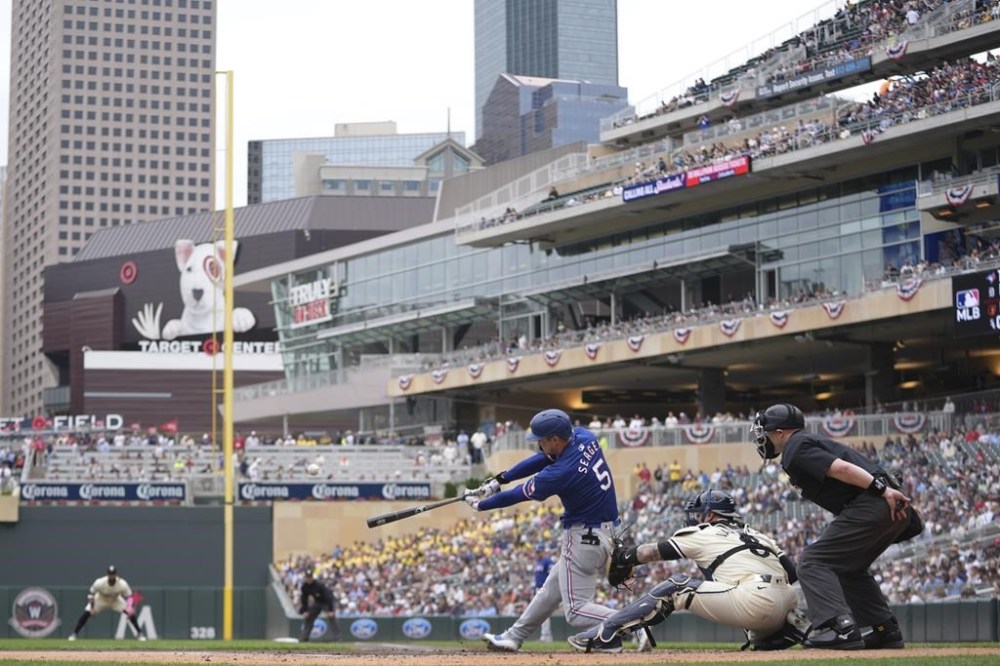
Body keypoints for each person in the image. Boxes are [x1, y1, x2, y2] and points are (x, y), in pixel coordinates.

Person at [466, 408, 647, 653]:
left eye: (541, 440)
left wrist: (481, 504)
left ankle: (635, 622)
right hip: (607, 532)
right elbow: (541, 459)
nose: (539, 444)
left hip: (584, 535)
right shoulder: (584, 437)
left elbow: (520, 494)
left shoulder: (561, 473)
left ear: (554, 439)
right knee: (551, 590)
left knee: (575, 610)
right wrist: (500, 479)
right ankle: (514, 636)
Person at [750, 403, 922, 650]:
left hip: (875, 502)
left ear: (780, 432)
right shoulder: (804, 443)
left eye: (765, 431)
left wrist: (881, 491)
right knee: (848, 569)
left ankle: (840, 628)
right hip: (885, 506)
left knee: (812, 561)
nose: (762, 438)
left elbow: (841, 468)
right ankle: (885, 629)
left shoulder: (795, 447)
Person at [568, 490, 808, 654]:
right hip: (787, 602)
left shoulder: (705, 532)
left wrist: (625, 557)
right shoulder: (759, 535)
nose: (695, 519)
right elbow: (794, 574)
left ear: (711, 515)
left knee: (678, 586)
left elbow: (654, 552)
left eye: (698, 514)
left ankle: (606, 635)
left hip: (755, 601)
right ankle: (780, 631)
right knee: (739, 591)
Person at [69, 565, 146, 640]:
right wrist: (92, 608)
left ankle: (140, 634)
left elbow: (129, 596)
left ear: (116, 574)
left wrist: (129, 607)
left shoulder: (122, 584)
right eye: (110, 574)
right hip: (100, 599)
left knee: (131, 613)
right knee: (86, 613)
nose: (112, 576)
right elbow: (91, 594)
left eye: (113, 574)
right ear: (107, 574)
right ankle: (74, 634)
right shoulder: (100, 582)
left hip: (116, 600)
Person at [298, 568, 337, 642]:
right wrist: (305, 610)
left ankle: (338, 639)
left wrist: (330, 610)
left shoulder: (319, 585)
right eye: (307, 577)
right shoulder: (304, 587)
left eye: (310, 577)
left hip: (327, 601)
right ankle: (304, 638)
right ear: (305, 578)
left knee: (332, 618)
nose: (309, 579)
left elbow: (328, 597)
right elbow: (304, 599)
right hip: (318, 602)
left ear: (312, 577)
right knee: (308, 617)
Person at [534, 545, 555, 642]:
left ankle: (546, 636)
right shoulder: (538, 562)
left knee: (544, 613)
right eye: (537, 552)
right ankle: (545, 636)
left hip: (545, 589)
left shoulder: (547, 561)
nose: (537, 554)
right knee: (541, 613)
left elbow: (552, 575)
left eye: (539, 552)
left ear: (543, 552)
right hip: (538, 589)